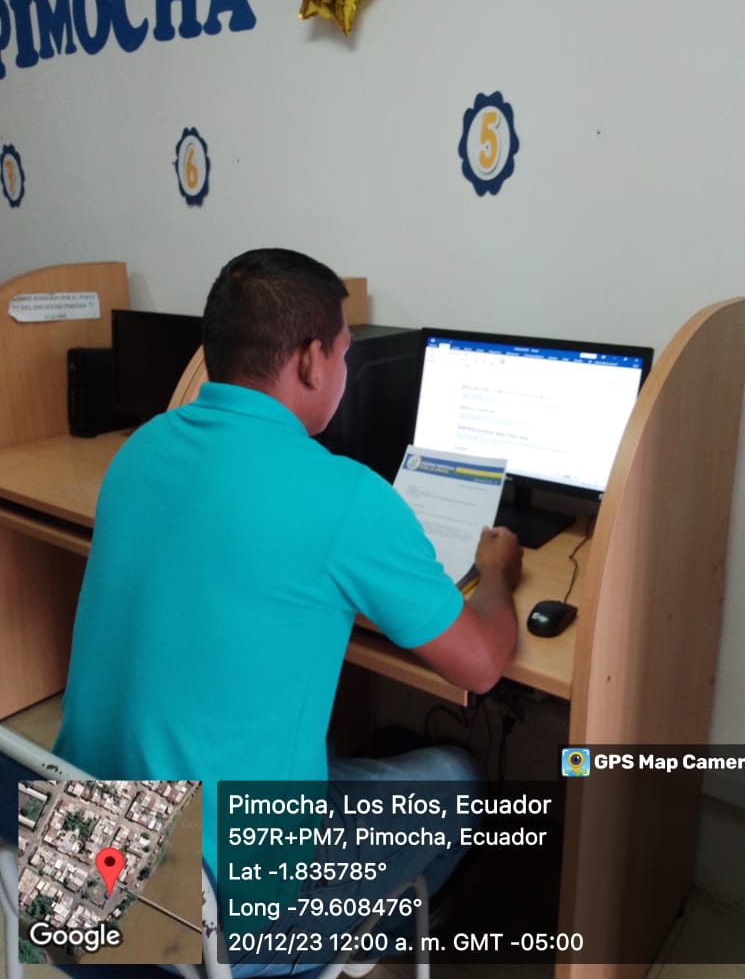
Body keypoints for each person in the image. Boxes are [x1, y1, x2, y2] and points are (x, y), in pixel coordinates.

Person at [53, 248, 522, 973]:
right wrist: (496, 576)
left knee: (323, 758)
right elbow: (482, 665)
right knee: (456, 776)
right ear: (310, 360)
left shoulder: (140, 449)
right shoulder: (345, 496)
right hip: (208, 927)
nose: (343, 368)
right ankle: (354, 941)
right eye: (344, 352)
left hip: (78, 882)